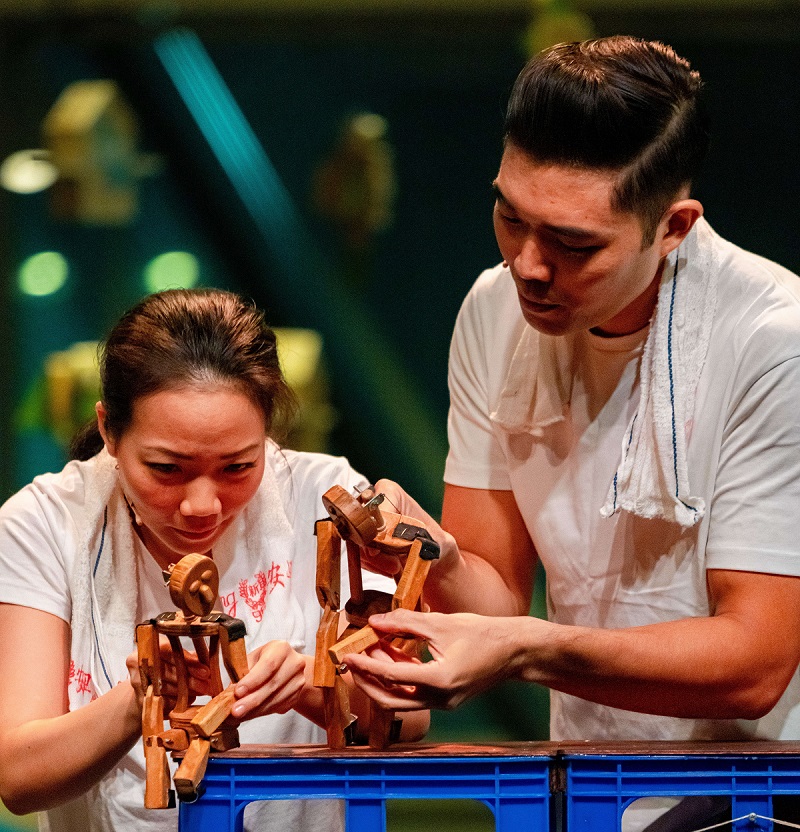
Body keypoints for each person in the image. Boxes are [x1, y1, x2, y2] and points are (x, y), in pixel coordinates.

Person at [343, 33, 800, 784]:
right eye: (511, 217)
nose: (527, 265)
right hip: (587, 779)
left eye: (572, 243)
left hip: (758, 791)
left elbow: (753, 664)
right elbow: (494, 597)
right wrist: (436, 553)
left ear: (675, 228)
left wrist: (527, 649)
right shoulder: (494, 312)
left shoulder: (772, 341)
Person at [0, 288, 427, 832]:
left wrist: (312, 690)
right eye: (166, 468)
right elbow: (17, 775)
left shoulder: (326, 498)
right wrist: (140, 700)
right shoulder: (46, 523)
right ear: (109, 430)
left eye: (237, 467)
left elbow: (410, 720)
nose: (202, 506)